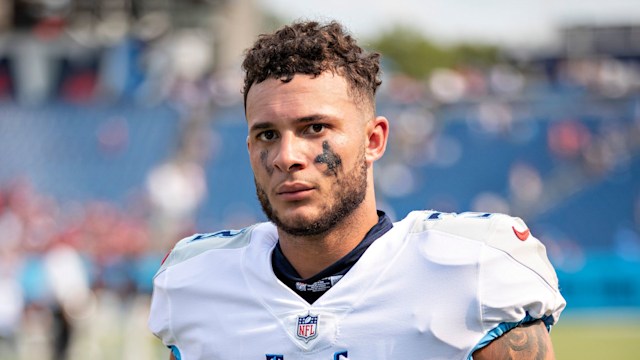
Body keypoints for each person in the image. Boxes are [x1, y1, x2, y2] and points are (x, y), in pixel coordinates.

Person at [148, 20, 566, 360]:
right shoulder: (196, 283)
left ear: (374, 141)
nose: (286, 156)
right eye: (267, 135)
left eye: (315, 128)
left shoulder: (473, 269)